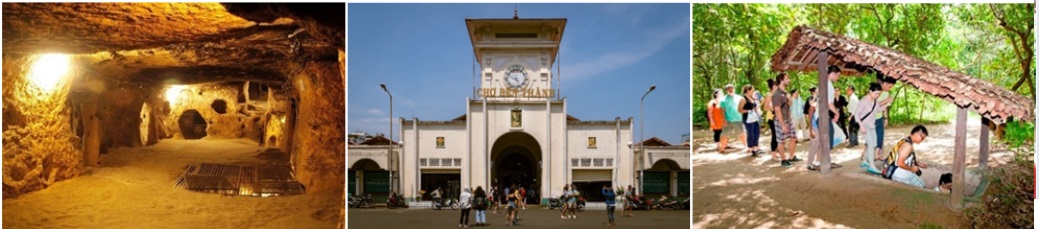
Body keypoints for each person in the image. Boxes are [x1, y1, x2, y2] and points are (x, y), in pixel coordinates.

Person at [807, 65, 843, 171]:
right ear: (832, 73)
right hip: (820, 116)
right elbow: (828, 102)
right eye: (838, 75)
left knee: (821, 140)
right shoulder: (828, 86)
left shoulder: (823, 84)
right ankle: (823, 160)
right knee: (824, 139)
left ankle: (820, 160)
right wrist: (837, 113)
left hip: (820, 115)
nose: (838, 78)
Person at [853, 83, 883, 174]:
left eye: (879, 94)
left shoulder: (875, 100)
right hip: (864, 124)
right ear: (870, 91)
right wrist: (861, 126)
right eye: (876, 93)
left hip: (871, 125)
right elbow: (856, 114)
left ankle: (865, 160)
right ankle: (872, 166)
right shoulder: (863, 101)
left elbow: (877, 110)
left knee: (873, 144)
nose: (877, 95)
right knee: (870, 143)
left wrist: (885, 106)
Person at [771, 72, 798, 167]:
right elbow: (777, 110)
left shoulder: (785, 93)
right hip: (780, 120)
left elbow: (790, 105)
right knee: (781, 140)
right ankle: (783, 160)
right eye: (787, 78)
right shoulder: (776, 94)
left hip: (788, 119)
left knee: (794, 138)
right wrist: (782, 124)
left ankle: (791, 157)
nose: (789, 80)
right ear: (781, 80)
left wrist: (789, 99)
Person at [874, 76, 898, 160]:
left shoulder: (886, 93)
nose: (890, 89)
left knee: (880, 137)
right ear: (884, 83)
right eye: (889, 86)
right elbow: (875, 105)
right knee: (873, 137)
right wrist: (887, 100)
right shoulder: (876, 91)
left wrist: (886, 118)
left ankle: (878, 155)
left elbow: (885, 107)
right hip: (872, 118)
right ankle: (870, 156)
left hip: (880, 117)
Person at [739, 84, 763, 157]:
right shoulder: (743, 99)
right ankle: (751, 148)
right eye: (752, 90)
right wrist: (748, 111)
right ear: (747, 90)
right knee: (751, 133)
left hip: (754, 118)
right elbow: (739, 110)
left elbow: (755, 106)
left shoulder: (752, 98)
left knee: (757, 132)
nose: (753, 91)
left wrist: (757, 109)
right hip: (747, 119)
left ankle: (756, 147)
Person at [721, 84, 745, 149]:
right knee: (725, 135)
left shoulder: (740, 97)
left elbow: (744, 107)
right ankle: (722, 148)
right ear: (726, 90)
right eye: (729, 89)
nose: (731, 90)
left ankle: (747, 146)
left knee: (741, 134)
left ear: (734, 89)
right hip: (728, 120)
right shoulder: (723, 99)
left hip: (738, 119)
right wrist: (724, 119)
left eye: (732, 88)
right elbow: (722, 111)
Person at [763, 79, 779, 160]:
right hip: (771, 117)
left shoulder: (777, 94)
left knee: (778, 135)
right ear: (774, 86)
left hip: (778, 117)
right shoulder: (769, 95)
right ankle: (773, 154)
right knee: (775, 135)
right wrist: (773, 108)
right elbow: (765, 107)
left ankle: (776, 151)